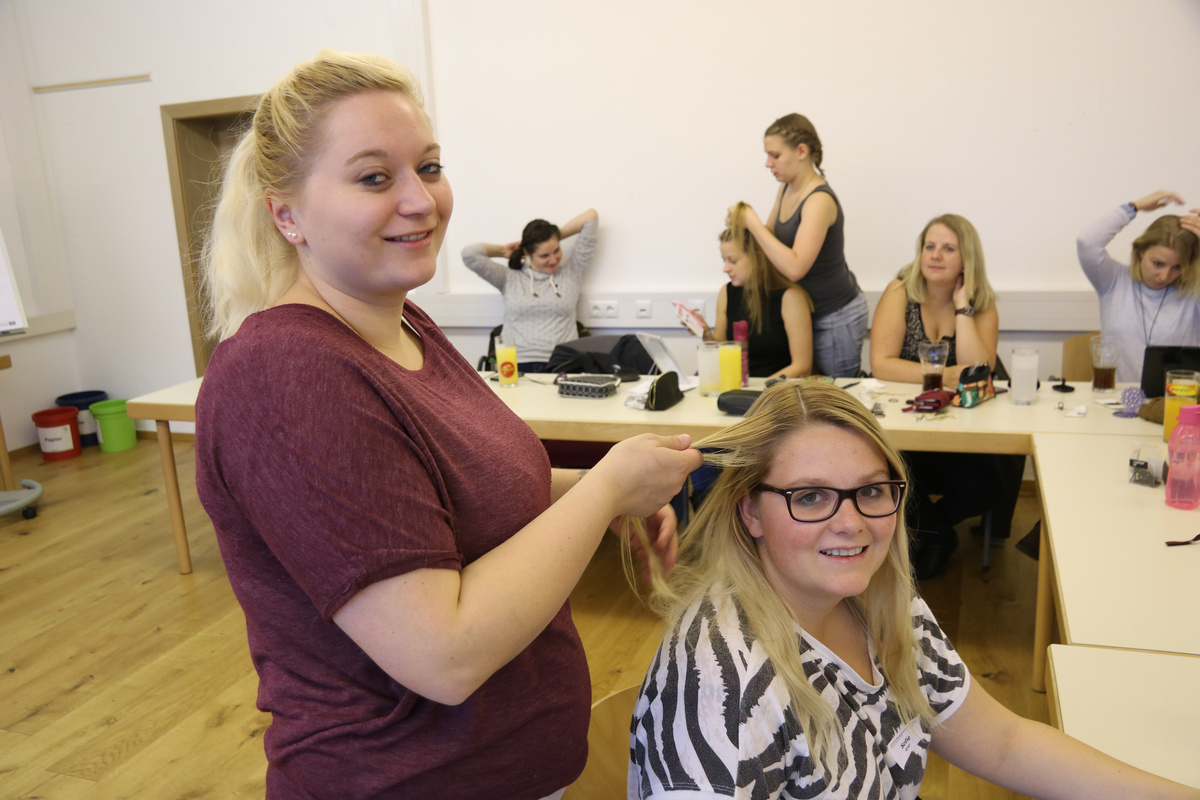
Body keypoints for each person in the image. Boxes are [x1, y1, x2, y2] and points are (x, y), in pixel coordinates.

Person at [193, 50, 701, 800]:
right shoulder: (284, 374)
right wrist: (605, 492)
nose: (421, 200)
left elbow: (461, 491)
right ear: (286, 214)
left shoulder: (408, 326)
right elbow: (443, 654)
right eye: (374, 177)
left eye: (428, 167)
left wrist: (604, 490)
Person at [629, 381, 1200, 800]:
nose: (851, 523)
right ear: (750, 511)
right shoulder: (721, 692)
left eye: (870, 491)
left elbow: (1002, 742)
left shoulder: (881, 602)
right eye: (810, 497)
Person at [869, 214, 1004, 581]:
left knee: (985, 488)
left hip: (961, 430)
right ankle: (938, 537)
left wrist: (963, 307)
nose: (935, 255)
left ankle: (931, 530)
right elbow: (881, 363)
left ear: (967, 258)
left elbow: (978, 369)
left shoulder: (981, 302)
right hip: (902, 427)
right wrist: (945, 375)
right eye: (929, 246)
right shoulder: (900, 291)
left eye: (948, 248)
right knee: (890, 477)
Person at [732, 113, 869, 377]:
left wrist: (752, 222)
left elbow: (795, 268)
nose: (768, 163)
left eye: (775, 155)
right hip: (806, 313)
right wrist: (743, 226)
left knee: (836, 395)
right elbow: (768, 242)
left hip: (835, 317)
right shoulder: (786, 188)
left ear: (802, 151)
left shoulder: (819, 201)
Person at [1077, 190, 1200, 382]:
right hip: (1115, 396)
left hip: (1176, 397)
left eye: (1177, 267)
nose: (1165, 276)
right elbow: (1087, 243)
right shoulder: (1114, 280)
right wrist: (1134, 207)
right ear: (1140, 250)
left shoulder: (1193, 291)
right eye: (1158, 264)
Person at [462, 209, 599, 373]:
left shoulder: (572, 273)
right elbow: (469, 254)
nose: (553, 259)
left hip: (563, 364)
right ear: (527, 253)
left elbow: (591, 217)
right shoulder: (509, 278)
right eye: (544, 255)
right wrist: (503, 251)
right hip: (516, 366)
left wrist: (552, 237)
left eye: (556, 250)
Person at [690, 203, 813, 380]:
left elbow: (802, 366)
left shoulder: (790, 298)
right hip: (736, 386)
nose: (725, 268)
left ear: (758, 257)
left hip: (775, 388)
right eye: (724, 261)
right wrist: (706, 335)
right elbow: (721, 352)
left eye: (732, 261)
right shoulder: (727, 292)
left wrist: (763, 390)